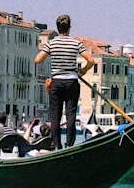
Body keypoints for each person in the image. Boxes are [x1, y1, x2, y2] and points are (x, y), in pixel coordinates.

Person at [35, 14, 95, 150]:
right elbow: (91, 60)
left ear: (58, 28)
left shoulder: (51, 43)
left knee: (55, 115)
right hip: (72, 82)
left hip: (56, 82)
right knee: (71, 114)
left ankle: (57, 145)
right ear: (69, 28)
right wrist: (83, 70)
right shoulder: (76, 43)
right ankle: (70, 144)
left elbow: (38, 60)